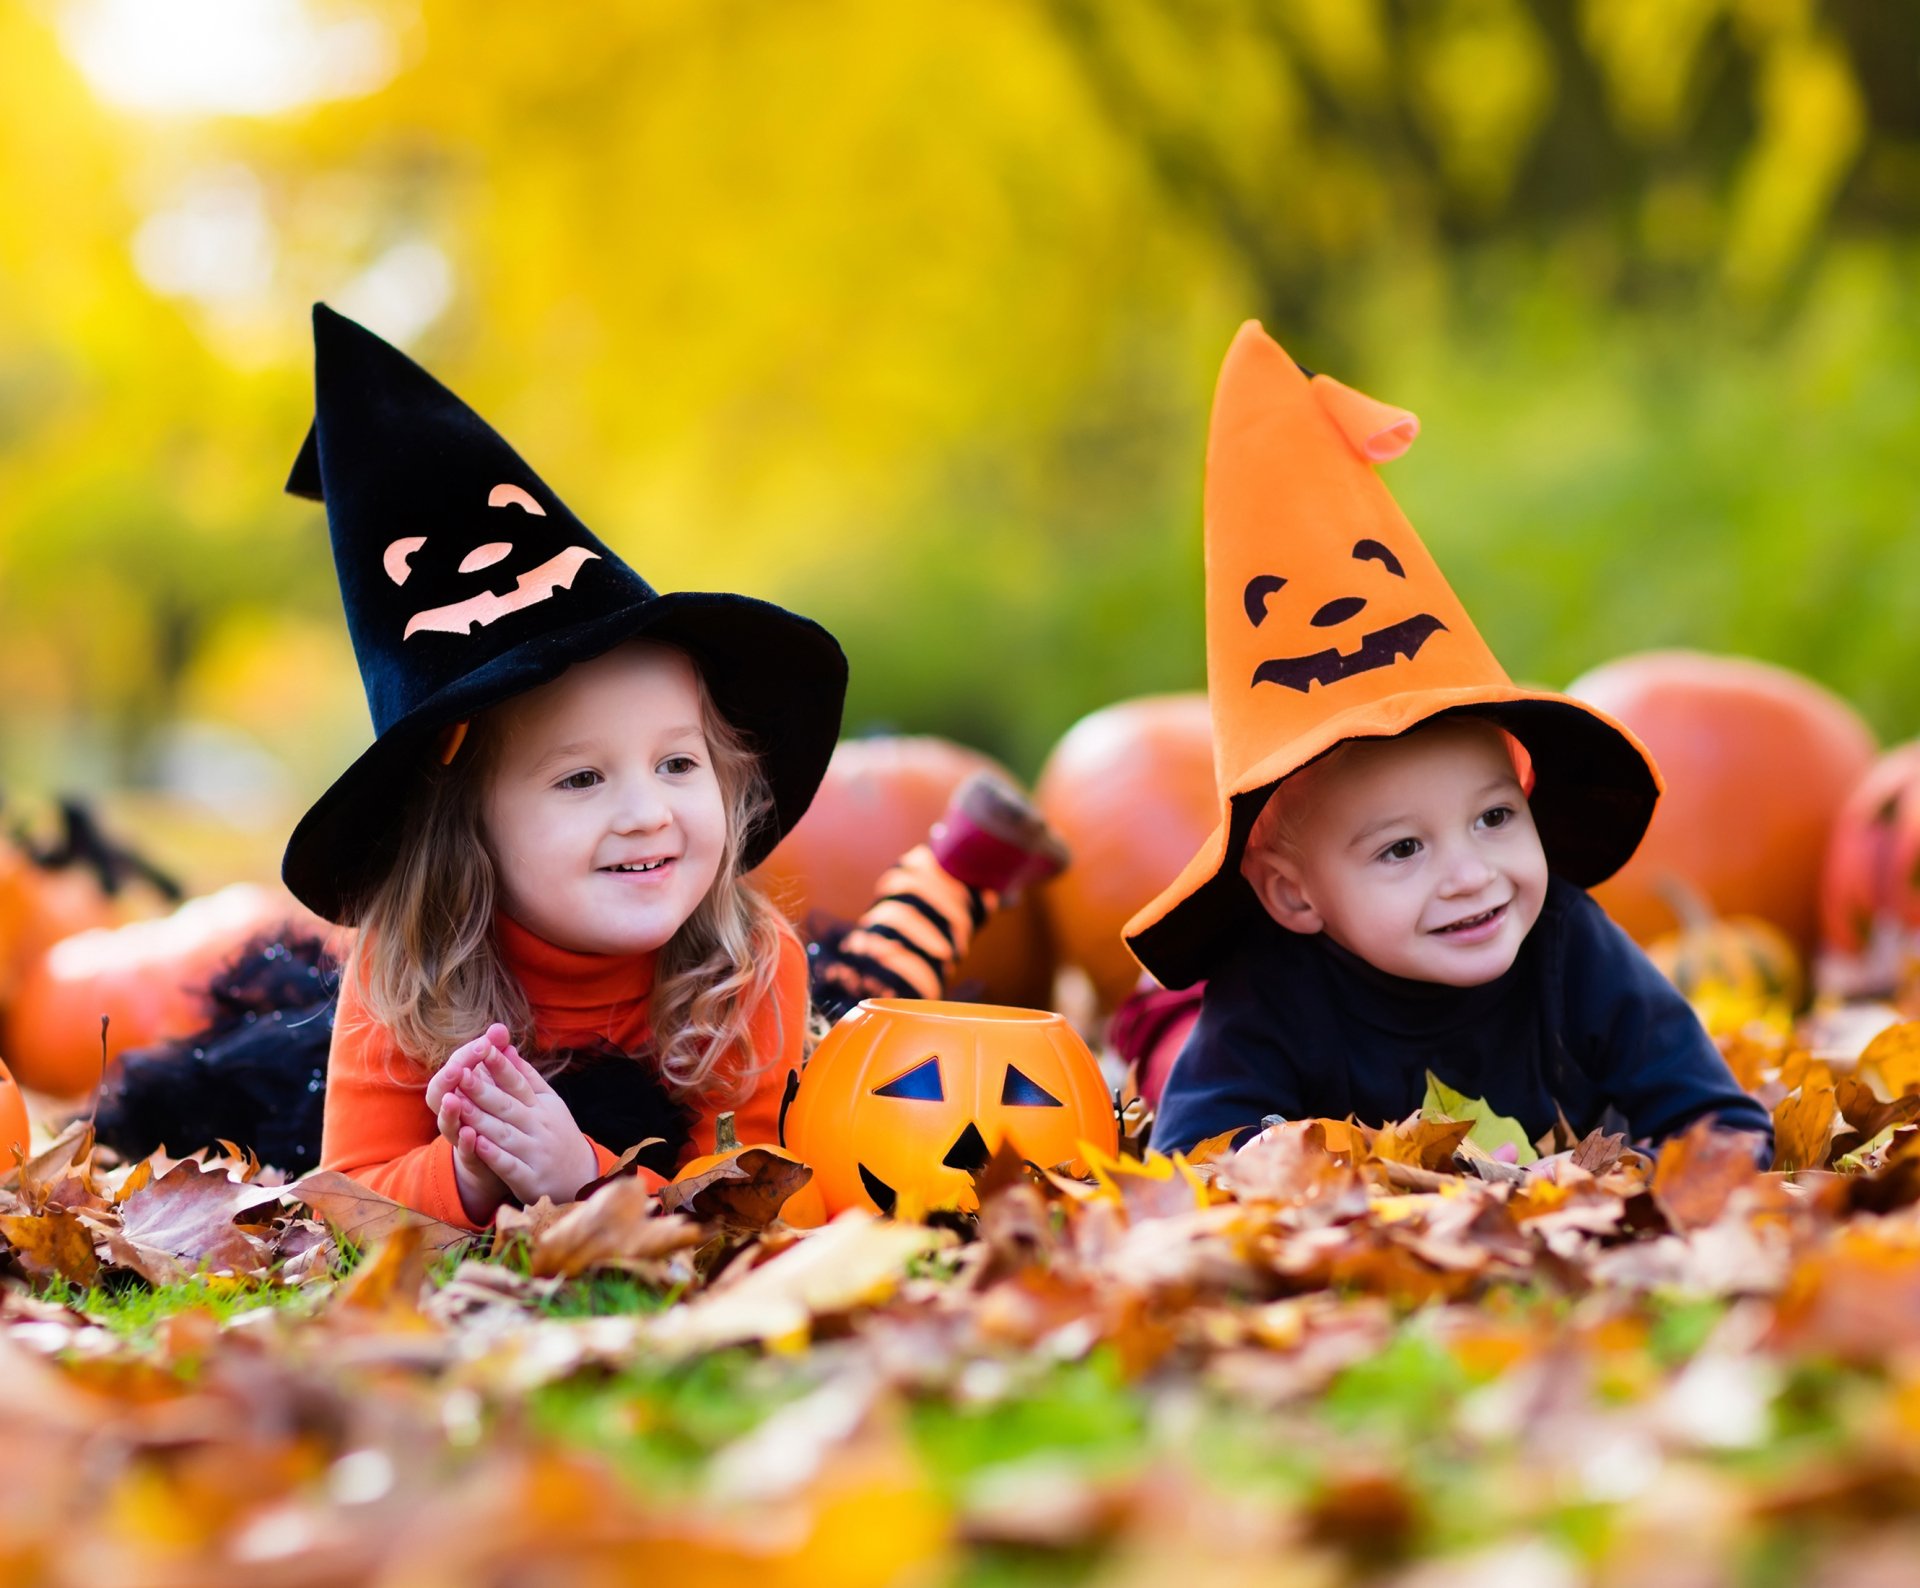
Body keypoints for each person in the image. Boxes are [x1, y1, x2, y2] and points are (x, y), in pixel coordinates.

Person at [267, 306, 1061, 1230]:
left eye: (678, 763)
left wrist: (584, 1177)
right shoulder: (406, 972)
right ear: (465, 824)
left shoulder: (748, 965)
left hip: (771, 987)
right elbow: (345, 1199)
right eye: (581, 779)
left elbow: (764, 1197)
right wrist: (471, 1175)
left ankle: (952, 877)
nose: (649, 812)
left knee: (871, 999)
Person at [1122, 323, 1772, 1158]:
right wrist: (1317, 1185)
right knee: (1181, 1049)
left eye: (1494, 818)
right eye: (1401, 849)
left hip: (1555, 1203)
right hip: (1314, 1146)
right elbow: (1195, 1159)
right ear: (1295, 896)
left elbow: (1724, 1125)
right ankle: (1160, 1019)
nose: (1471, 875)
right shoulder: (1271, 987)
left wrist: (1630, 1184)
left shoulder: (1568, 944)